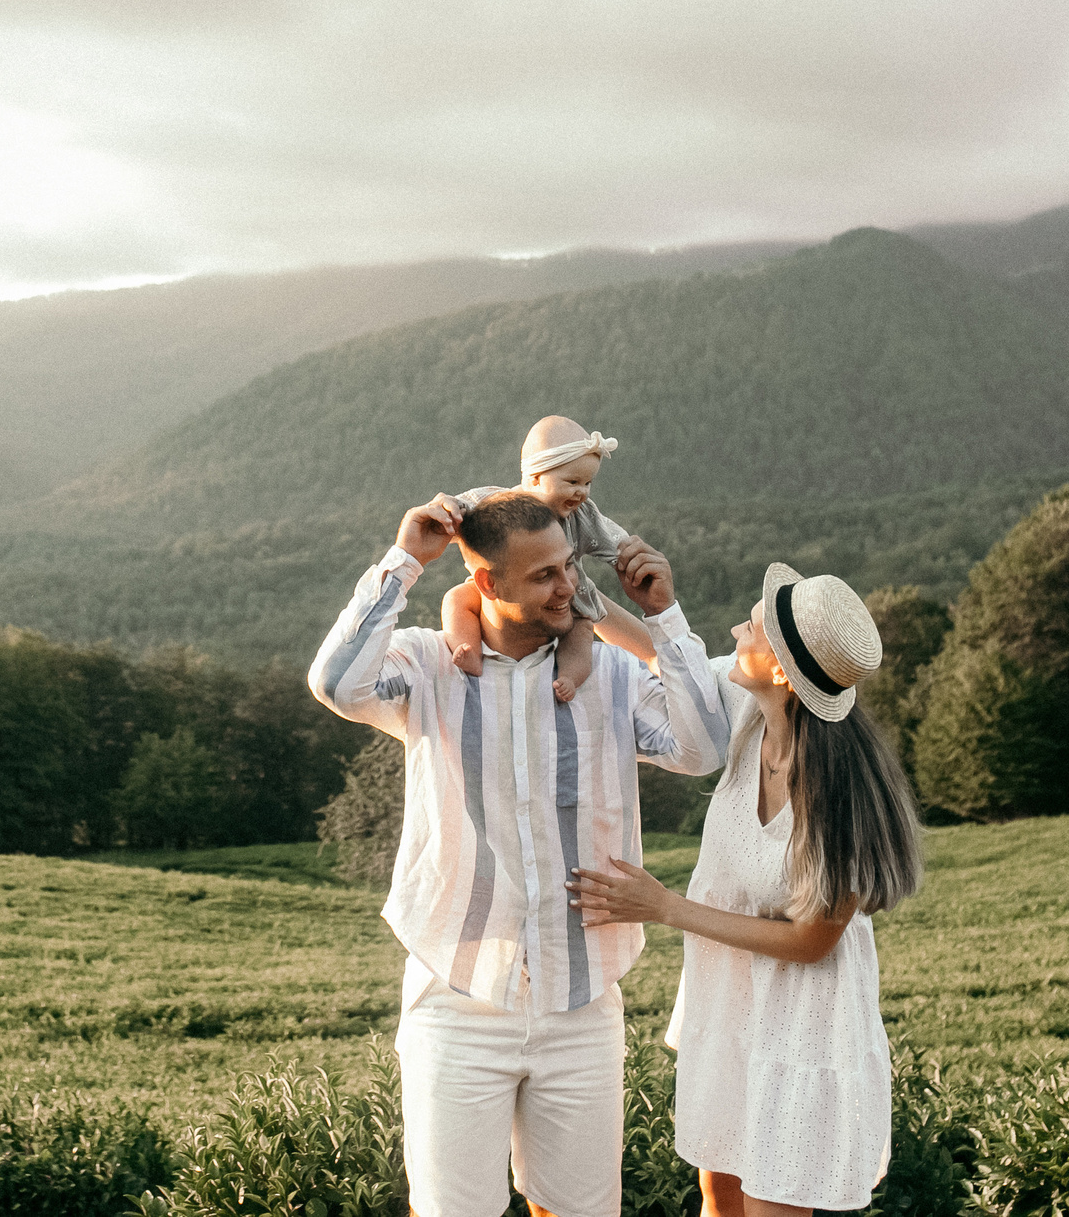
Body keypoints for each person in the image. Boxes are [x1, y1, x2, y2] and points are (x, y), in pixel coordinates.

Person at [310, 489, 732, 1217]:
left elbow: (704, 747)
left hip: (583, 1000)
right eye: (544, 575)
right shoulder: (428, 667)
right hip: (458, 998)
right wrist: (406, 557)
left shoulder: (612, 675)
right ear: (487, 584)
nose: (568, 585)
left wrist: (663, 614)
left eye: (568, 565)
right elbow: (335, 681)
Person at [566, 563, 924, 1217]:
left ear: (783, 671)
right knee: (719, 1192)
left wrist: (665, 906)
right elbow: (665, 656)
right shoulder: (750, 710)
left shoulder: (838, 794)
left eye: (752, 627)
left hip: (802, 1021)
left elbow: (810, 942)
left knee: (770, 1207)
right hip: (731, 1003)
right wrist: (585, 592)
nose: (736, 629)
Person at [443, 416, 657, 703]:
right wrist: (444, 511)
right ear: (534, 478)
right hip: (497, 593)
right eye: (572, 482)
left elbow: (611, 536)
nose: (581, 492)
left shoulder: (582, 515)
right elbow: (465, 504)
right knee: (457, 599)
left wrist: (630, 557)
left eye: (587, 483)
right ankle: (466, 648)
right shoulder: (502, 504)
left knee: (581, 631)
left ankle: (570, 676)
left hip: (576, 602)